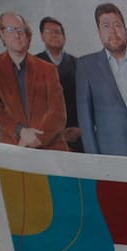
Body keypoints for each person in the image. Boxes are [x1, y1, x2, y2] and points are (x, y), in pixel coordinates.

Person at [77, 3, 127, 156]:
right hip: (109, 158)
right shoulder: (86, 66)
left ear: (125, 30)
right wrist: (94, 161)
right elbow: (86, 122)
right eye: (106, 26)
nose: (113, 31)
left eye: (117, 25)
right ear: (99, 32)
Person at [0, 11, 69, 150]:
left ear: (27, 34)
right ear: (1, 34)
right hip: (14, 145)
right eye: (10, 30)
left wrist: (35, 139)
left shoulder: (48, 69)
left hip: (50, 146)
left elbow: (58, 113)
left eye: (20, 30)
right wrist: (21, 131)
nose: (16, 35)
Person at [35, 17, 82, 151]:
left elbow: (85, 100)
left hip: (75, 134)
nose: (54, 35)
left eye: (57, 32)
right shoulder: (33, 64)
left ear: (64, 37)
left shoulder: (78, 64)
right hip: (45, 138)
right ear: (42, 36)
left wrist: (81, 129)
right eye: (49, 31)